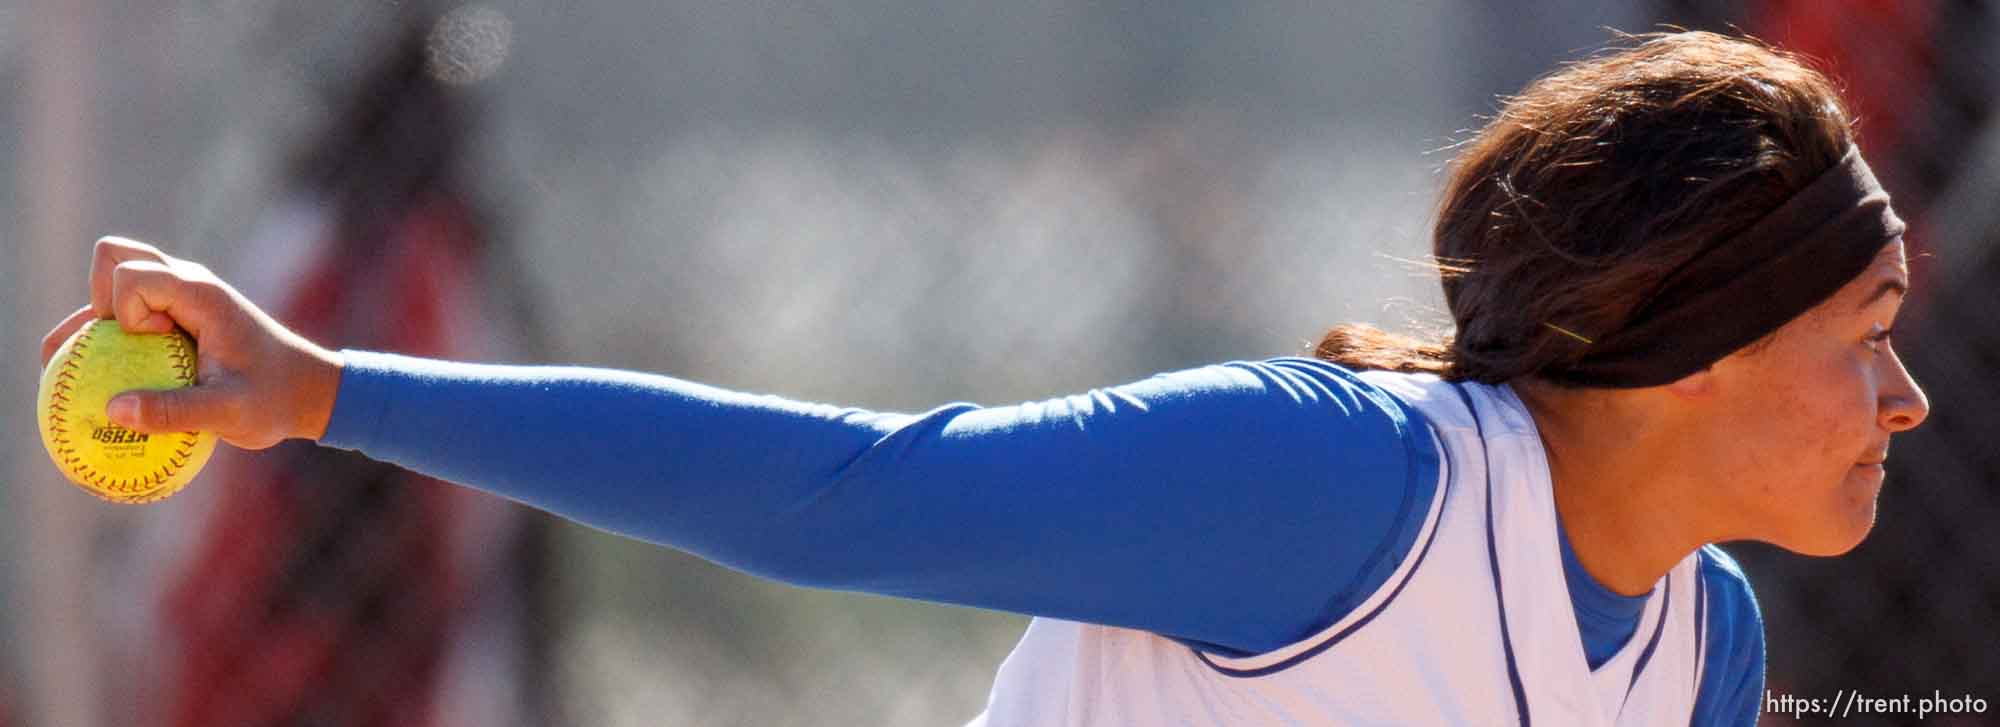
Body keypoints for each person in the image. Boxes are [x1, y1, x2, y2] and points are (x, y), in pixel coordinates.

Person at [40, 31, 1925, 726]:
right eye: (1863, 340)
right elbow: (844, 495)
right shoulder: (1346, 492)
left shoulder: (1707, 652)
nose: (1909, 399)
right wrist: (325, 392)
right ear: (1697, 358)